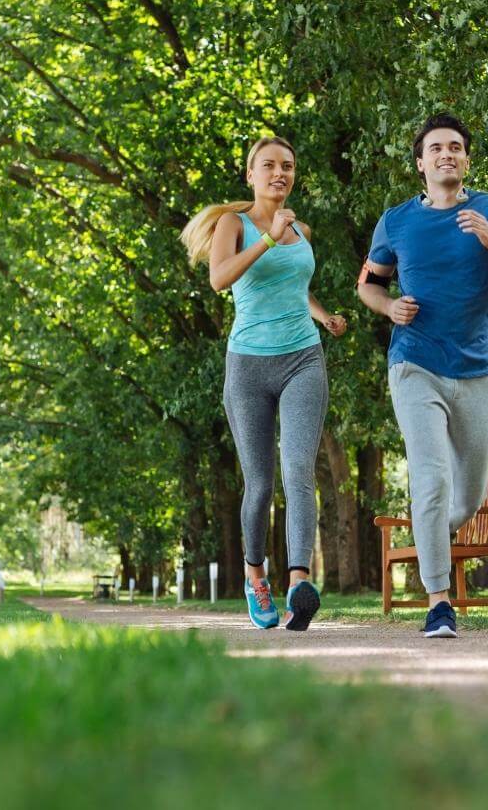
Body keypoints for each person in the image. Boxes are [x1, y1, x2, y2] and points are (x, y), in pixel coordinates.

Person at [356, 113, 488, 638]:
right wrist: (388, 309)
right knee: (430, 478)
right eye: (436, 148)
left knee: (468, 496)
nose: (446, 154)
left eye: (455, 147)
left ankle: (427, 529)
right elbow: (368, 284)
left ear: (466, 159)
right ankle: (439, 602)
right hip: (414, 362)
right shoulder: (397, 221)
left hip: (476, 369)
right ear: (421, 163)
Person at [180, 136, 346, 631]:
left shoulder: (301, 227)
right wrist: (269, 237)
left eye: (288, 166)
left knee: (299, 469)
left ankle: (298, 582)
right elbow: (220, 279)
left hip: (303, 360)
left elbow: (295, 285)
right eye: (269, 165)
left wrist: (323, 317)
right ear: (251, 175)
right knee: (260, 481)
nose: (280, 172)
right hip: (248, 365)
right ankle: (257, 578)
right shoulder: (235, 224)